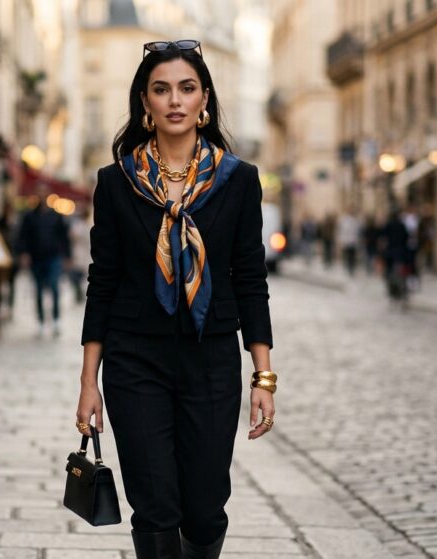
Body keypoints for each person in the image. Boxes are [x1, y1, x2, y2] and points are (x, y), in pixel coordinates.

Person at [75, 40, 276, 559]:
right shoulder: (116, 182)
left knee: (206, 507)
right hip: (134, 359)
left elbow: (251, 279)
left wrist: (263, 377)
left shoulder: (238, 180)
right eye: (161, 89)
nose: (175, 100)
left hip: (210, 358)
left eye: (187, 88)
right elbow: (103, 282)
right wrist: (87, 383)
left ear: (204, 98)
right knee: (155, 504)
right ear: (145, 102)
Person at [18, 184, 72, 337]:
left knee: (54, 288)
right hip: (36, 258)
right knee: (39, 290)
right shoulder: (29, 217)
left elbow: (64, 238)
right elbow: (23, 237)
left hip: (53, 258)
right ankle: (41, 321)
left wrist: (67, 256)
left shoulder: (56, 216)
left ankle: (56, 320)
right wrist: (24, 253)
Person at [67, 205, 93, 304]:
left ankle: (83, 294)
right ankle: (79, 293)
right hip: (78, 253)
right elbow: (72, 236)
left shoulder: (90, 224)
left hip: (87, 254)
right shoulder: (77, 225)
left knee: (85, 277)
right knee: (76, 276)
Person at [338, 209, 361, 277]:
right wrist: (342, 240)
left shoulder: (356, 221)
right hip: (348, 241)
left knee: (352, 256)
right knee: (348, 256)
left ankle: (351, 268)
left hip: (352, 242)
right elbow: (343, 231)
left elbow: (357, 232)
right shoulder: (345, 220)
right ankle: (349, 268)